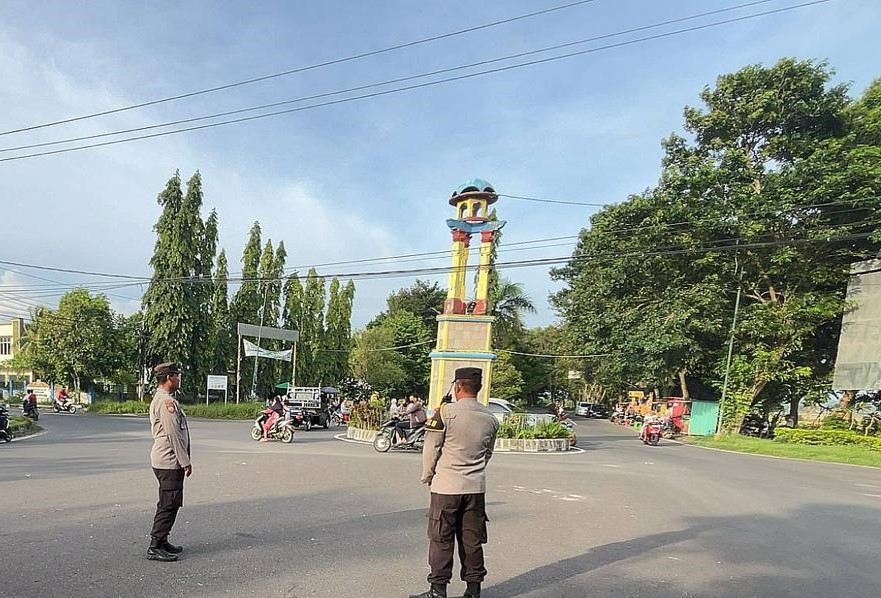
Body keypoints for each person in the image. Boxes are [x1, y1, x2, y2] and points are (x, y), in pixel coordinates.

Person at [410, 368, 500, 598]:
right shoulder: (490, 418)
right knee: (472, 540)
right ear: (477, 388)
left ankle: (438, 590)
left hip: (446, 486)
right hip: (475, 488)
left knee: (441, 538)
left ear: (457, 386)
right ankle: (473, 590)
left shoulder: (445, 412)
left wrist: (428, 475)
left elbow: (431, 447)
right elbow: (487, 453)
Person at [147, 362, 191, 562]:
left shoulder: (164, 399)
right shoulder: (166, 402)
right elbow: (174, 435)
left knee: (171, 502)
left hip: (167, 460)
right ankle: (155, 545)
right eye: (177, 375)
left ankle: (163, 540)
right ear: (169, 378)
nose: (179, 379)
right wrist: (185, 461)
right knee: (168, 503)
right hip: (169, 461)